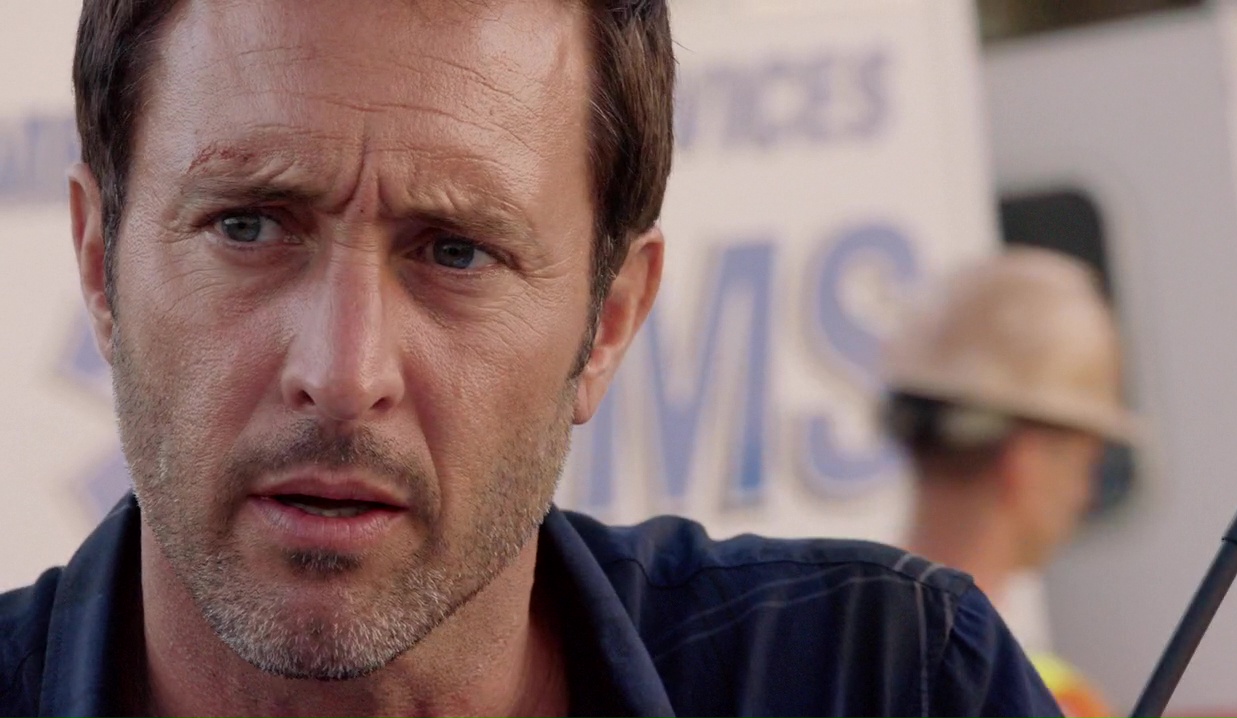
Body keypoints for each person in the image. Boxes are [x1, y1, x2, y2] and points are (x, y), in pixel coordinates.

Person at [0, 1, 1062, 716]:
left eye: (455, 250)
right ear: (99, 264)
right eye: (247, 226)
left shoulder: (887, 682)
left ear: (610, 322)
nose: (344, 371)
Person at [880, 247, 1138, 718]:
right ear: (1025, 461)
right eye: (1085, 465)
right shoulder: (1054, 701)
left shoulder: (819, 658)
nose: (1083, 496)